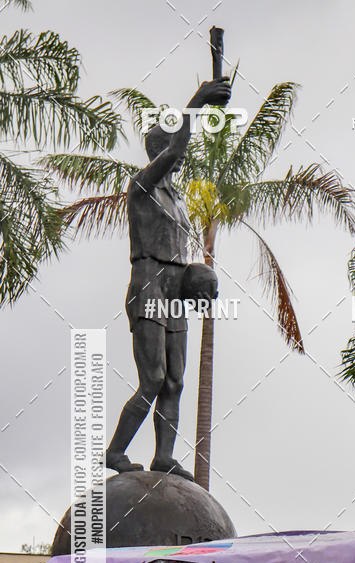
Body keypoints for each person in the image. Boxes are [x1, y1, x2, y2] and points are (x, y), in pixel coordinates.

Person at [104, 75, 231, 481]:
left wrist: (200, 279)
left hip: (175, 289)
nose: (181, 155)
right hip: (148, 283)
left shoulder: (177, 200)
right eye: (174, 149)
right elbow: (178, 142)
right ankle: (116, 451)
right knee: (154, 377)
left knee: (175, 380)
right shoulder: (142, 187)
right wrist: (199, 100)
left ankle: (164, 455)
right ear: (159, 152)